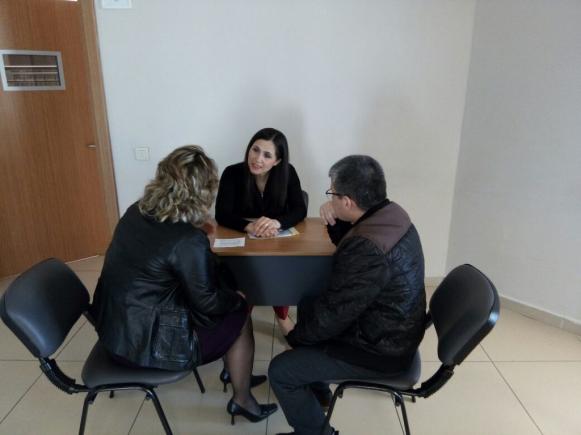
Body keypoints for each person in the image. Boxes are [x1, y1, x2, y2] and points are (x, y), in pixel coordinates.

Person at [90, 145, 277, 424]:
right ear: (202, 191)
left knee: (227, 296)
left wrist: (201, 240)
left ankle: (236, 371)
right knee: (239, 311)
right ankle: (243, 399)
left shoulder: (136, 211)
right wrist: (237, 297)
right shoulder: (187, 240)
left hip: (115, 329)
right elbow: (208, 302)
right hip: (143, 347)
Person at [268, 155, 426, 435]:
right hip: (395, 330)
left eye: (332, 193)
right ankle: (318, 388)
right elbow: (356, 248)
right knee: (309, 303)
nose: (330, 198)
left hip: (380, 351)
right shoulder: (392, 214)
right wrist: (336, 222)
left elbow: (334, 315)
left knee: (281, 371)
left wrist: (295, 339)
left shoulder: (367, 248)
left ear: (348, 201)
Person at [215, 127, 307, 331]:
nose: (257, 159)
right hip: (244, 243)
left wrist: (277, 223)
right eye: (255, 150)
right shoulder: (232, 173)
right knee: (245, 273)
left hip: (276, 244)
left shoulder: (288, 173)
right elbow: (221, 213)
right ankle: (243, 316)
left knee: (275, 269)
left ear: (277, 161)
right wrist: (249, 226)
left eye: (267, 155)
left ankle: (281, 315)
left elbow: (300, 209)